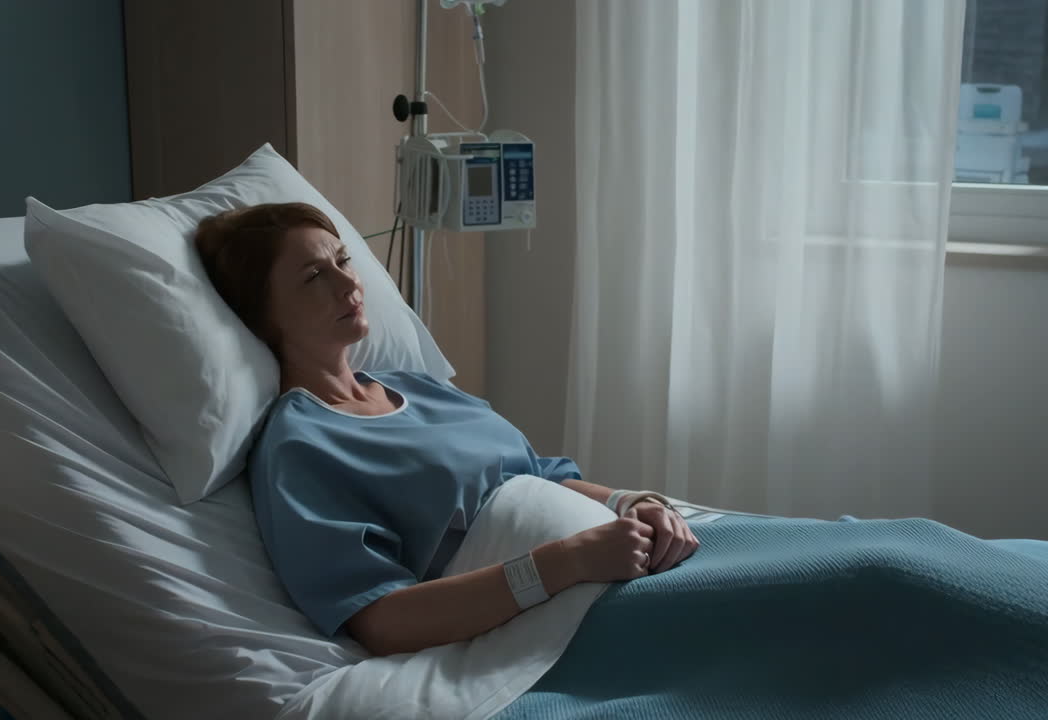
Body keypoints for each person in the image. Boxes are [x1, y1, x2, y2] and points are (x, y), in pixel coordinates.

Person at [195, 202, 698, 657]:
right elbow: (381, 619)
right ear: (261, 316)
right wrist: (565, 563)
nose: (348, 284)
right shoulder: (300, 446)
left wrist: (631, 503)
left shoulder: (417, 386)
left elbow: (537, 473)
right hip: (564, 612)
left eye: (343, 261)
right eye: (312, 276)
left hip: (627, 558)